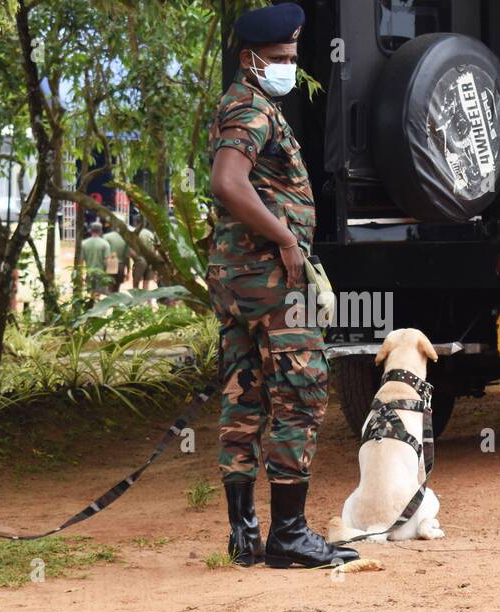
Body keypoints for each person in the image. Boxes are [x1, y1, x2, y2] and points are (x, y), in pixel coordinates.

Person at [206, 2, 358, 568]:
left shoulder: (239, 103)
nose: (288, 65)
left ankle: (243, 535)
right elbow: (228, 182)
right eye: (279, 57)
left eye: (293, 56)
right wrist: (288, 240)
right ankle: (288, 535)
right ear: (250, 59)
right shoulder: (252, 109)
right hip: (272, 279)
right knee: (301, 392)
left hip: (239, 280)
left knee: (243, 399)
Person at [80, 221, 112, 297]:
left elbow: (81, 261)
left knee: (91, 293)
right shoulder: (105, 244)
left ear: (90, 230)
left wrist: (80, 275)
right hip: (101, 273)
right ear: (101, 231)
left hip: (89, 272)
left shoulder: (84, 243)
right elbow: (107, 261)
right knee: (98, 294)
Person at [102, 226, 129, 292]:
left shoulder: (106, 237)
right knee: (117, 288)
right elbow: (127, 257)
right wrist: (128, 270)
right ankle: (115, 302)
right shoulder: (125, 239)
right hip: (121, 265)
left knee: (109, 287)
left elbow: (102, 252)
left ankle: (109, 300)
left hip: (109, 264)